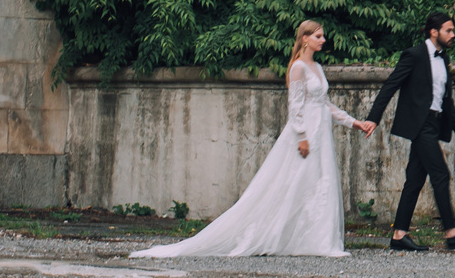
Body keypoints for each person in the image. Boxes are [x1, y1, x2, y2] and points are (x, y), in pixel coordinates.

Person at [132, 20, 375, 259]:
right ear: (305, 38)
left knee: (317, 184)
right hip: (306, 133)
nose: (323, 40)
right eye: (318, 36)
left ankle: (315, 240)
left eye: (322, 36)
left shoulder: (317, 68)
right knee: (291, 184)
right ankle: (268, 234)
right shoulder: (298, 67)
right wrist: (301, 136)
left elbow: (325, 105)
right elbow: (295, 106)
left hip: (322, 134)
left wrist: (353, 122)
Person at [366, 12, 455, 252]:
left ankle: (399, 235)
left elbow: (444, 100)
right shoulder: (414, 55)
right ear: (433, 32)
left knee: (415, 180)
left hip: (435, 122)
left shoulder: (443, 58)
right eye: (448, 30)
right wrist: (372, 119)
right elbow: (391, 85)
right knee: (439, 174)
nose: (453, 35)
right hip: (420, 125)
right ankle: (452, 232)